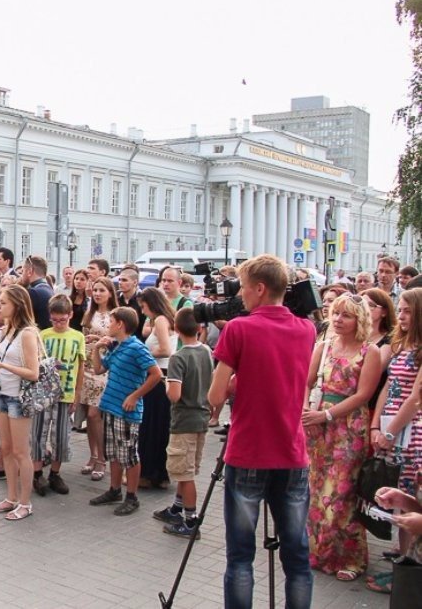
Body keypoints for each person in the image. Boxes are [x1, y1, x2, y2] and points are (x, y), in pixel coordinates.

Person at [207, 255, 316, 609]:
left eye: (242, 288)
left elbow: (215, 395)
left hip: (249, 451)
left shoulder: (240, 328)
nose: (240, 296)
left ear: (259, 288)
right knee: (297, 557)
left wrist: (240, 379)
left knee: (241, 556)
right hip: (291, 451)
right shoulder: (307, 329)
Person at [302, 293, 381, 581]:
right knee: (316, 490)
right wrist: (306, 411)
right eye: (335, 313)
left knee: (343, 492)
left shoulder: (369, 351)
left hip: (348, 426)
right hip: (317, 424)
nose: (338, 319)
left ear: (358, 320)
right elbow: (306, 383)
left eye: (346, 315)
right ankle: (318, 552)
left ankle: (350, 557)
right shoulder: (323, 346)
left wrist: (327, 415)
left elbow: (363, 395)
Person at [368, 288, 422, 593]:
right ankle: (403, 558)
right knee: (401, 497)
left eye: (406, 311)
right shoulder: (401, 344)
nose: (400, 316)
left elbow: (416, 398)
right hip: (391, 424)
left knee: (410, 497)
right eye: (398, 310)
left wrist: (389, 432)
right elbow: (388, 385)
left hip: (410, 431)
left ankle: (409, 566)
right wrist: (376, 426)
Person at [88, 307, 163, 516]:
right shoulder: (117, 346)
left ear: (120, 324)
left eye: (111, 322)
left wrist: (135, 395)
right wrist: (97, 349)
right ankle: (114, 490)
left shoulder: (136, 347)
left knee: (129, 455)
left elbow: (155, 374)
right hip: (111, 406)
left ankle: (132, 496)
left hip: (127, 410)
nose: (108, 326)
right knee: (113, 453)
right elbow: (98, 369)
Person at [154, 308, 214, 539]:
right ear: (200, 329)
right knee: (185, 469)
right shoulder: (206, 351)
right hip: (201, 418)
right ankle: (177, 508)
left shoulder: (179, 358)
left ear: (176, 330)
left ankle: (190, 521)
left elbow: (175, 394)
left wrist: (166, 383)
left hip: (184, 420)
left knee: (184, 472)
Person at [0, 285, 40, 521]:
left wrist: (2, 366)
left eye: (4, 303)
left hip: (18, 396)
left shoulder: (27, 332)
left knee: (20, 451)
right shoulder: (7, 329)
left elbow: (33, 372)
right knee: (6, 448)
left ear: (17, 304)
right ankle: (10, 497)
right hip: (2, 393)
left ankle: (25, 503)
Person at [31, 294, 85, 497]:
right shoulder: (43, 334)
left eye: (63, 319)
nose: (59, 323)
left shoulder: (77, 336)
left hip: (66, 392)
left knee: (61, 436)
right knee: (38, 433)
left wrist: (77, 394)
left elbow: (80, 367)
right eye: (55, 320)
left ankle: (55, 472)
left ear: (70, 315)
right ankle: (37, 473)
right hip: (43, 392)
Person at [138, 287, 178, 489]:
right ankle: (157, 473)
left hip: (158, 377)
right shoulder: (165, 319)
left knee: (152, 427)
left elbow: (165, 349)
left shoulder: (161, 320)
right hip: (162, 376)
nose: (143, 311)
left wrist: (144, 352)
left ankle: (151, 473)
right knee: (157, 427)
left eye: (144, 307)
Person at [79, 276, 118, 482]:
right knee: (87, 414)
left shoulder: (114, 315)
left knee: (96, 414)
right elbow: (83, 333)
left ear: (110, 293)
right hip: (86, 364)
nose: (98, 294)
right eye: (95, 290)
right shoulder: (89, 312)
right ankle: (93, 455)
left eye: (102, 290)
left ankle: (102, 458)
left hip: (104, 367)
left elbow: (119, 341)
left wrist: (101, 340)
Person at [20, 255, 54, 330]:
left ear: (29, 271)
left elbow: (14, 318)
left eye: (22, 271)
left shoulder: (33, 293)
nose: (21, 276)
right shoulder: (48, 289)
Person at [116, 267, 146, 339]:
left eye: (124, 280)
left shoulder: (142, 300)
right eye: (119, 280)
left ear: (135, 282)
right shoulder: (116, 299)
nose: (120, 283)